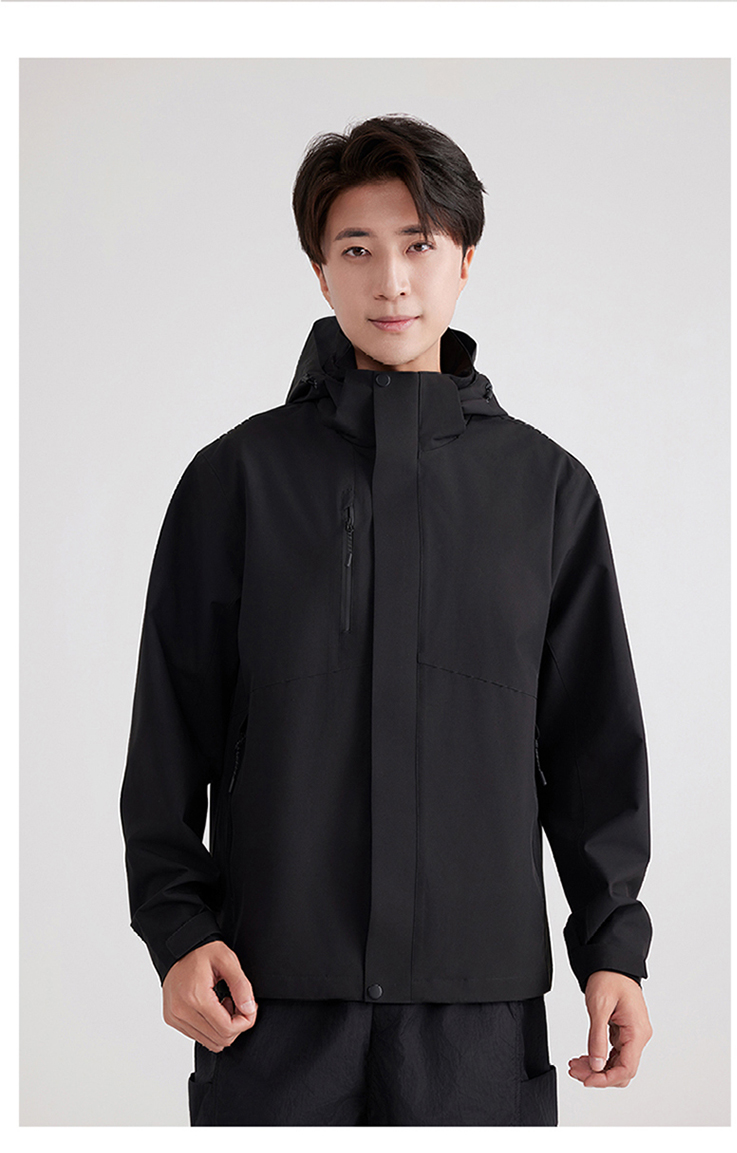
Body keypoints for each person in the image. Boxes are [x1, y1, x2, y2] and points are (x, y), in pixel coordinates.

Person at [120, 114, 653, 1127]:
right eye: (357, 250)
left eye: (419, 244)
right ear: (320, 272)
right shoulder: (237, 481)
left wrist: (613, 948)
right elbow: (169, 733)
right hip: (267, 1002)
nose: (392, 281)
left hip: (478, 1017)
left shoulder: (545, 491)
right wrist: (178, 931)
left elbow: (594, 745)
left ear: (466, 258)